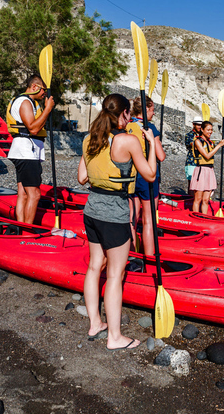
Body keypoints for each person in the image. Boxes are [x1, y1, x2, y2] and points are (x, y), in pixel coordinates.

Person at [77, 94, 156, 350]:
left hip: (92, 209)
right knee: (114, 274)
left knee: (94, 267)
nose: (130, 118)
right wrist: (151, 145)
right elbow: (151, 174)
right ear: (123, 114)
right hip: (114, 212)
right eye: (129, 114)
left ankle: (94, 324)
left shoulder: (90, 138)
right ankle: (115, 337)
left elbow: (81, 178)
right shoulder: (128, 140)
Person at [5, 75, 55, 224]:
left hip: (23, 150)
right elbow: (33, 129)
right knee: (34, 194)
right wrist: (48, 109)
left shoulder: (29, 102)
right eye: (43, 91)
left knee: (23, 193)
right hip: (26, 151)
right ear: (34, 87)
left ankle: (21, 227)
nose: (44, 94)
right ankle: (27, 231)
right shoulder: (25, 102)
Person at [126, 97, 166, 257]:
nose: (154, 112)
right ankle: (149, 259)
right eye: (152, 109)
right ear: (145, 109)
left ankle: (131, 255)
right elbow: (161, 156)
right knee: (148, 220)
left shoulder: (127, 125)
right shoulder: (149, 128)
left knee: (132, 219)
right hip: (146, 175)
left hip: (130, 176)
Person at [190, 121, 224, 214]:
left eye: (211, 130)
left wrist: (217, 146)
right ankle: (196, 218)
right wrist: (219, 146)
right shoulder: (197, 141)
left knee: (206, 200)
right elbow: (207, 156)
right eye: (208, 130)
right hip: (201, 171)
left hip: (209, 171)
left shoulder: (210, 142)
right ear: (202, 130)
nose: (210, 132)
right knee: (198, 199)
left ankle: (204, 218)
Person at [184, 116, 203, 193]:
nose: (199, 127)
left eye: (201, 125)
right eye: (198, 125)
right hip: (192, 161)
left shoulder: (203, 135)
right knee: (191, 183)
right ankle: (190, 201)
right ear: (193, 124)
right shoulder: (189, 135)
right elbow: (193, 144)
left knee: (201, 183)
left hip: (201, 162)